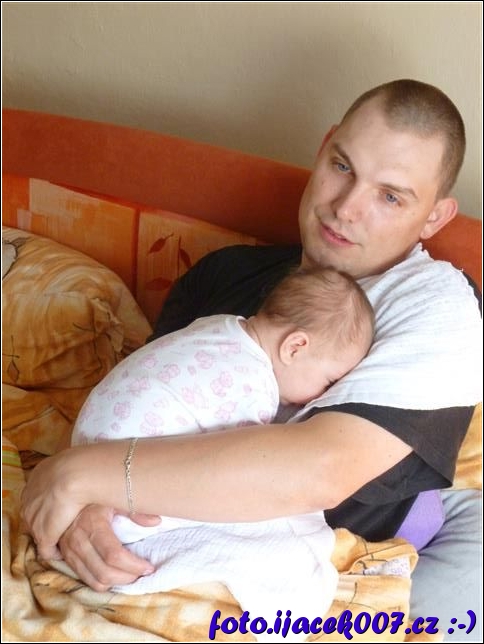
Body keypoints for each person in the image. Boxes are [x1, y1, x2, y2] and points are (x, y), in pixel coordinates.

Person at [21, 79, 482, 640]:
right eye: (342, 166)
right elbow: (140, 407)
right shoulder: (223, 274)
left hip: (371, 545)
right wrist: (93, 506)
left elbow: (320, 470)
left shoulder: (437, 303)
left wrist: (77, 474)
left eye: (391, 197)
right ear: (323, 149)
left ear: (434, 217)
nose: (346, 208)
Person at [68, 265, 373, 613]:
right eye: (329, 381)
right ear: (295, 347)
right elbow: (242, 480)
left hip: (87, 444)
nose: (321, 396)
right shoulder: (254, 387)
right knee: (282, 533)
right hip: (122, 504)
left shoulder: (217, 327)